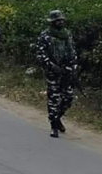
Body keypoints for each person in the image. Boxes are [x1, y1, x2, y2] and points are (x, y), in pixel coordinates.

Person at [37, 10, 78, 138]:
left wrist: (73, 67)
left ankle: (57, 117)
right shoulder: (45, 35)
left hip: (66, 70)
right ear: (52, 22)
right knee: (54, 98)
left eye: (62, 20)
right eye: (58, 20)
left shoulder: (67, 34)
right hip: (53, 72)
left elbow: (72, 51)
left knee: (68, 97)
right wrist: (51, 66)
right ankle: (53, 125)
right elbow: (40, 55)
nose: (61, 22)